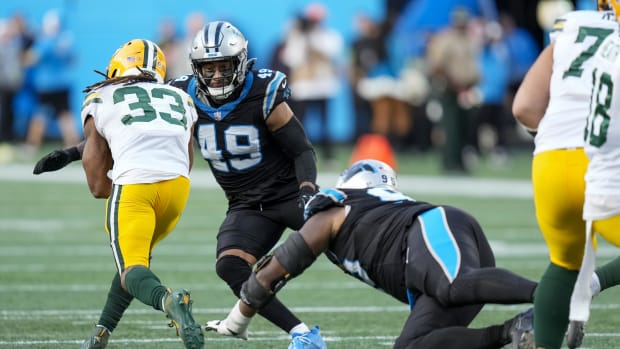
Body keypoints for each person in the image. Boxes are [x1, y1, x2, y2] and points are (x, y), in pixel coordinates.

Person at [32, 21, 325, 349]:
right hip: (236, 202)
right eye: (208, 68)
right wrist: (73, 153)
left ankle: (169, 303)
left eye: (224, 67)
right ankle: (301, 334)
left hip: (286, 193)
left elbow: (301, 148)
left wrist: (308, 190)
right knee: (223, 265)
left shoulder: (262, 91)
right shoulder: (181, 95)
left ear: (240, 62)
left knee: (342, 240)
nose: (215, 76)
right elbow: (143, 133)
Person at [208, 159, 539, 349]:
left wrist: (239, 318)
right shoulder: (365, 205)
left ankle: (550, 296)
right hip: (431, 259)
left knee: (452, 285)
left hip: (431, 230)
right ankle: (514, 330)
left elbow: (269, 275)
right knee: (411, 346)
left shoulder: (335, 208)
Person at [78, 38, 203, 349]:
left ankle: (167, 301)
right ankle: (100, 335)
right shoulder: (179, 96)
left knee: (131, 268)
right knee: (134, 264)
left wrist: (119, 187)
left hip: (135, 187)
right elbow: (187, 159)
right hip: (177, 190)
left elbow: (96, 185)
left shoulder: (102, 96)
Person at [512, 2, 620, 348]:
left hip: (551, 162)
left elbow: (524, 106)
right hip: (605, 164)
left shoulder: (572, 26)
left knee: (562, 264)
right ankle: (595, 283)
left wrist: (561, 138)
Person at [567, 12, 620, 348]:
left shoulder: (602, 46)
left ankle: (592, 284)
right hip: (613, 176)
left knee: (563, 262)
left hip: (586, 166)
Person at [23, 9, 80, 153]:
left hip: (46, 84)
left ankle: (32, 145)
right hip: (63, 82)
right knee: (65, 115)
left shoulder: (45, 42)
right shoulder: (65, 41)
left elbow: (31, 59)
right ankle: (74, 145)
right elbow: (73, 61)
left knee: (40, 115)